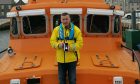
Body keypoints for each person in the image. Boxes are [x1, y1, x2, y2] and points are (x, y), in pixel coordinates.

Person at [50, 12, 83, 84]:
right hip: (60, 60)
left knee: (72, 80)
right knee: (61, 80)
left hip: (72, 59)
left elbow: (80, 44)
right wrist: (58, 45)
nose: (65, 21)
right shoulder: (56, 30)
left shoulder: (76, 30)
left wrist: (69, 47)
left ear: (70, 19)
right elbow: (52, 42)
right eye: (63, 19)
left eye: (66, 19)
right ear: (61, 20)